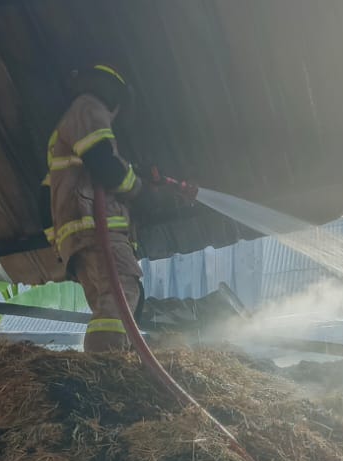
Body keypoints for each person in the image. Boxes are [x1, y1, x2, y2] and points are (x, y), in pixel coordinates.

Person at [44, 64, 246, 350]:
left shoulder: (72, 127)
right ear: (114, 94)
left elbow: (99, 168)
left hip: (82, 235)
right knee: (119, 302)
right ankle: (106, 373)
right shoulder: (88, 107)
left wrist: (138, 174)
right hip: (96, 230)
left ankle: (111, 367)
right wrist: (139, 190)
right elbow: (106, 167)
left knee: (117, 305)